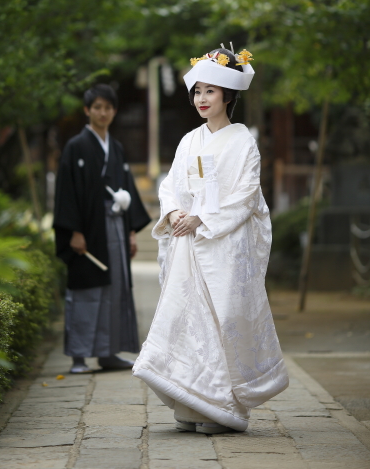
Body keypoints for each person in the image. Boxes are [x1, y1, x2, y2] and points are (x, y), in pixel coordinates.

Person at [133, 46, 289, 434]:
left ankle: (224, 408)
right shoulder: (189, 140)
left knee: (222, 321)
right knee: (187, 321)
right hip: (188, 242)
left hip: (225, 245)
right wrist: (173, 214)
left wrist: (201, 217)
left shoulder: (242, 141)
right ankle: (191, 403)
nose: (202, 99)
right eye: (197, 91)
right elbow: (171, 185)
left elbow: (246, 194)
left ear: (228, 96)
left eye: (211, 91)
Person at [54, 83, 151, 374]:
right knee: (86, 290)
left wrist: (131, 231)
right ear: (87, 111)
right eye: (97, 107)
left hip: (116, 228)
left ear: (114, 111)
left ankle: (109, 352)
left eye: (108, 108)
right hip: (88, 229)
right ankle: (80, 356)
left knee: (116, 287)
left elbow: (127, 190)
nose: (103, 112)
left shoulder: (117, 148)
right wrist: (74, 231)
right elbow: (66, 192)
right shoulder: (76, 147)